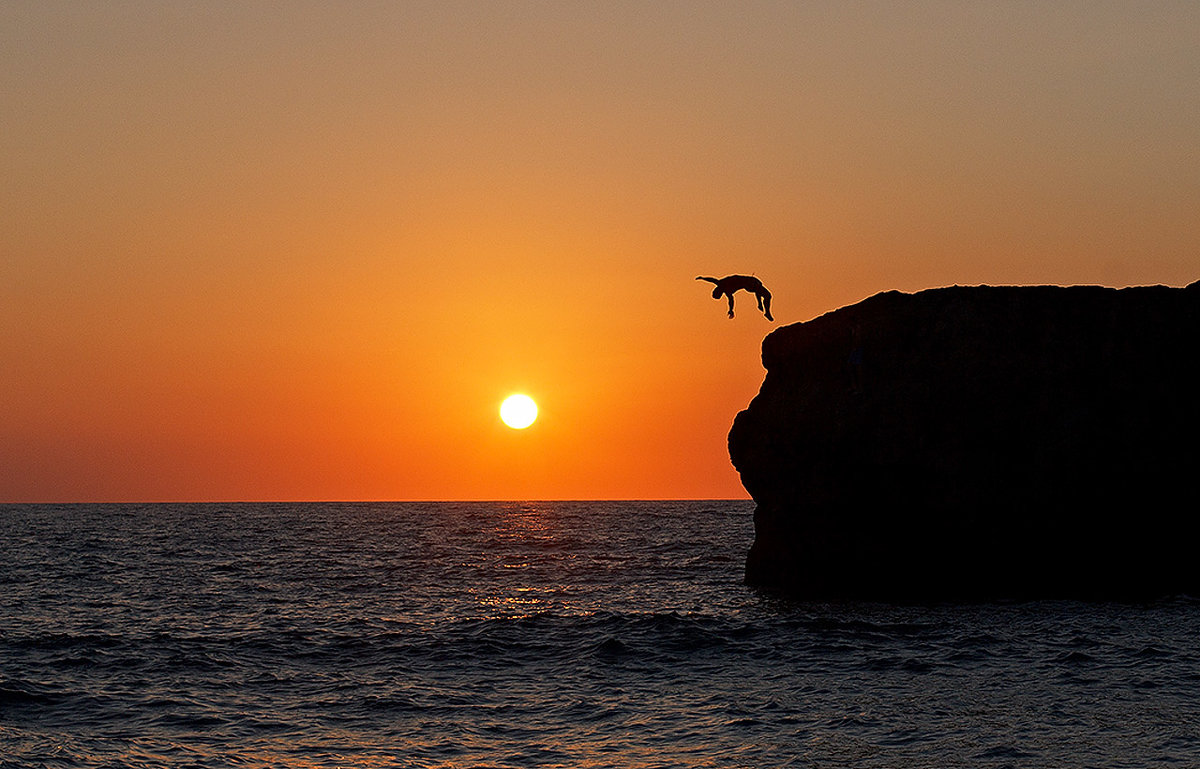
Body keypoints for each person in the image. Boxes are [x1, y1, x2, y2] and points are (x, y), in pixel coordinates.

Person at [695, 275, 773, 321]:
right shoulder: (725, 289)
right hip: (748, 283)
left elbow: (711, 280)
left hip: (749, 281)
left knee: (761, 291)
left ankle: (761, 306)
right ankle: (765, 310)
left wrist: (702, 278)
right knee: (765, 294)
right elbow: (731, 301)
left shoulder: (721, 284)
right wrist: (731, 310)